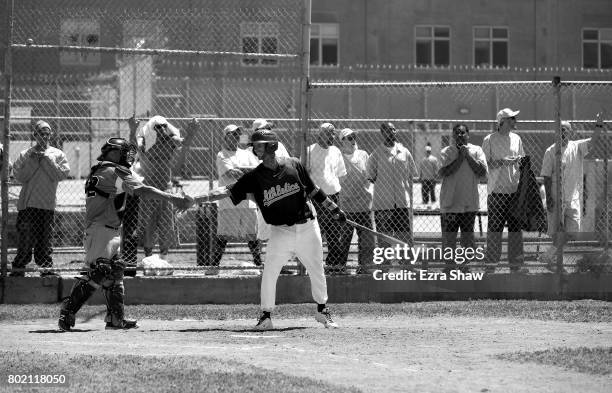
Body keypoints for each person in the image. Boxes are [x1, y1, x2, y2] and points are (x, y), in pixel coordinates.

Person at [197, 129, 343, 330]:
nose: (255, 149)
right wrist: (196, 200)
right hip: (280, 232)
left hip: (308, 227)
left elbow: (314, 190)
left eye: (259, 145)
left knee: (317, 269)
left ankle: (322, 310)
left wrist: (334, 208)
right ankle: (266, 316)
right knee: (270, 273)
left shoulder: (294, 165)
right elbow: (226, 191)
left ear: (272, 145)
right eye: (255, 146)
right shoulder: (255, 177)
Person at [58, 138, 193, 331]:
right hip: (101, 230)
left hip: (109, 229)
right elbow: (143, 190)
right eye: (124, 152)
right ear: (113, 153)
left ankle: (115, 318)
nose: (129, 156)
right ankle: (67, 310)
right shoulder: (114, 171)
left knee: (115, 271)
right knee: (98, 271)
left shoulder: (102, 169)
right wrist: (172, 198)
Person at [539, 116, 603, 271]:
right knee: (556, 234)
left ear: (570, 132)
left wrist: (599, 125)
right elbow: (546, 177)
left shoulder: (577, 147)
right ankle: (556, 265)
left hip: (573, 198)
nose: (562, 132)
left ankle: (548, 256)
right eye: (560, 129)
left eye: (565, 129)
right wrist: (550, 199)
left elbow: (593, 141)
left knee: (572, 232)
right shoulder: (551, 151)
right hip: (556, 197)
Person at [10, 120, 70, 277]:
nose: (44, 137)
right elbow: (20, 177)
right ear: (35, 135)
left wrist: (47, 160)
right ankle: (18, 268)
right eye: (41, 133)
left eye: (47, 134)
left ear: (51, 135)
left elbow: (60, 175)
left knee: (45, 239)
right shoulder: (26, 154)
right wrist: (33, 160)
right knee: (25, 239)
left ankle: (46, 269)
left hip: (47, 204)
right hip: (28, 205)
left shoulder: (58, 154)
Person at [482, 108, 527, 273]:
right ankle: (491, 267)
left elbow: (521, 159)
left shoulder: (517, 138)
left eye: (514, 118)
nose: (515, 121)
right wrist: (502, 162)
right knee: (494, 232)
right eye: (512, 118)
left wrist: (520, 161)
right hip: (497, 194)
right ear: (502, 122)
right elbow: (485, 166)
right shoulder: (490, 140)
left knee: (516, 232)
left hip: (513, 193)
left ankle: (516, 267)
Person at [438, 124, 488, 272]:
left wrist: (468, 156)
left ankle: (465, 267)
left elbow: (482, 172)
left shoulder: (477, 150)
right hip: (450, 203)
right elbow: (444, 172)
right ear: (453, 136)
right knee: (450, 239)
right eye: (456, 133)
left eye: (463, 133)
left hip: (469, 203)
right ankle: (449, 268)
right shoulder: (446, 152)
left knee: (467, 238)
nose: (460, 135)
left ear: (468, 135)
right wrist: (460, 157)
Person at [366, 122, 418, 262]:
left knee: (405, 238)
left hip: (401, 203)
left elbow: (411, 174)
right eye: (388, 130)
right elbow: (371, 176)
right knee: (385, 239)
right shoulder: (376, 154)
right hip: (383, 204)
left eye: (394, 129)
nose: (392, 132)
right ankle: (384, 267)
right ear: (382, 133)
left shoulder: (405, 152)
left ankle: (407, 265)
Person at [213, 124, 262, 272]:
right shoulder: (222, 155)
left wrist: (243, 171)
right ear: (225, 137)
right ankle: (214, 266)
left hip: (249, 202)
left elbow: (258, 171)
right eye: (232, 134)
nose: (235, 137)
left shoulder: (247, 153)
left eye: (237, 134)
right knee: (223, 236)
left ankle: (259, 264)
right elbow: (230, 174)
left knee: (252, 236)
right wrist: (249, 172)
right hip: (229, 202)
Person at [136, 115, 183, 258]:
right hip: (149, 190)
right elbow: (137, 144)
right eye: (158, 127)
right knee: (149, 224)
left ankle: (163, 257)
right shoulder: (144, 143)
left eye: (164, 126)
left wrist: (177, 135)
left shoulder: (170, 142)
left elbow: (181, 142)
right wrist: (134, 130)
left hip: (165, 189)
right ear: (152, 129)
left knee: (166, 224)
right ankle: (148, 257)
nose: (162, 129)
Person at [305, 123, 347, 273]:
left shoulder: (336, 151)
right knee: (316, 232)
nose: (332, 136)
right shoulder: (310, 151)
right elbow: (304, 176)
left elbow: (341, 174)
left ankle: (334, 265)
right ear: (320, 134)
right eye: (329, 133)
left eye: (334, 133)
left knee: (335, 231)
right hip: (316, 198)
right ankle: (313, 264)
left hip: (334, 195)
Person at [337, 128, 374, 273]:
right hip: (346, 207)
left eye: (354, 137)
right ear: (342, 141)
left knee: (365, 240)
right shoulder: (338, 156)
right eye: (349, 138)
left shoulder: (363, 154)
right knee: (343, 240)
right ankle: (340, 267)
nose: (353, 140)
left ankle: (363, 267)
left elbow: (370, 174)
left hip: (364, 205)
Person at [419, 144, 439, 208]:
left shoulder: (423, 160)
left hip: (425, 178)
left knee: (425, 192)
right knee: (432, 192)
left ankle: (425, 202)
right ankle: (433, 203)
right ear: (430, 151)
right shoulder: (434, 159)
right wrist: (436, 177)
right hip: (431, 178)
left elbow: (421, 170)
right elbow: (436, 169)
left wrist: (420, 177)